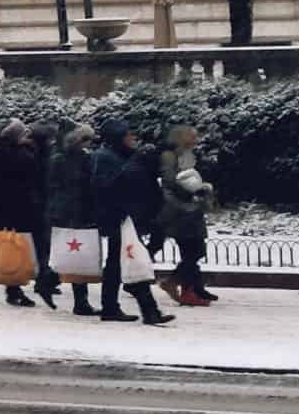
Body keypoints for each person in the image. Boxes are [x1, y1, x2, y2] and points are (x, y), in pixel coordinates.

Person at [90, 118, 173, 326]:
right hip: (118, 217)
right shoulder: (104, 157)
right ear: (118, 138)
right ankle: (148, 310)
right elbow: (105, 186)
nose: (132, 138)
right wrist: (133, 166)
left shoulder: (122, 156)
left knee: (117, 263)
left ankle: (111, 307)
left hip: (127, 216)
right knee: (131, 258)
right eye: (128, 135)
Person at [0, 119, 44, 309]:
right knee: (15, 248)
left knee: (16, 248)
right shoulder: (15, 155)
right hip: (14, 209)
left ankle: (14, 288)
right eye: (24, 134)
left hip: (10, 209)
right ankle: (14, 289)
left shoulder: (3, 153)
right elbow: (30, 174)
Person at [160, 123, 218, 307]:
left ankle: (192, 286)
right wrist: (192, 191)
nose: (196, 140)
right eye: (192, 137)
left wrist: (201, 189)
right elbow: (170, 181)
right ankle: (180, 285)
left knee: (196, 249)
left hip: (192, 207)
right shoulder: (169, 156)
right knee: (192, 249)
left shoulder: (188, 155)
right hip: (179, 209)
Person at [46, 122, 98, 316]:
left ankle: (78, 299)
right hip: (71, 211)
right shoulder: (64, 160)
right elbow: (53, 185)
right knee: (74, 254)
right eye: (87, 140)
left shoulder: (83, 159)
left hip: (76, 210)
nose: (90, 144)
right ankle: (55, 285)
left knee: (77, 254)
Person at [27, 119, 62, 308]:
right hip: (40, 207)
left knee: (44, 245)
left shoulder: (39, 154)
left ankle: (45, 279)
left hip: (41, 205)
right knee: (43, 244)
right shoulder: (39, 156)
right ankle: (44, 280)